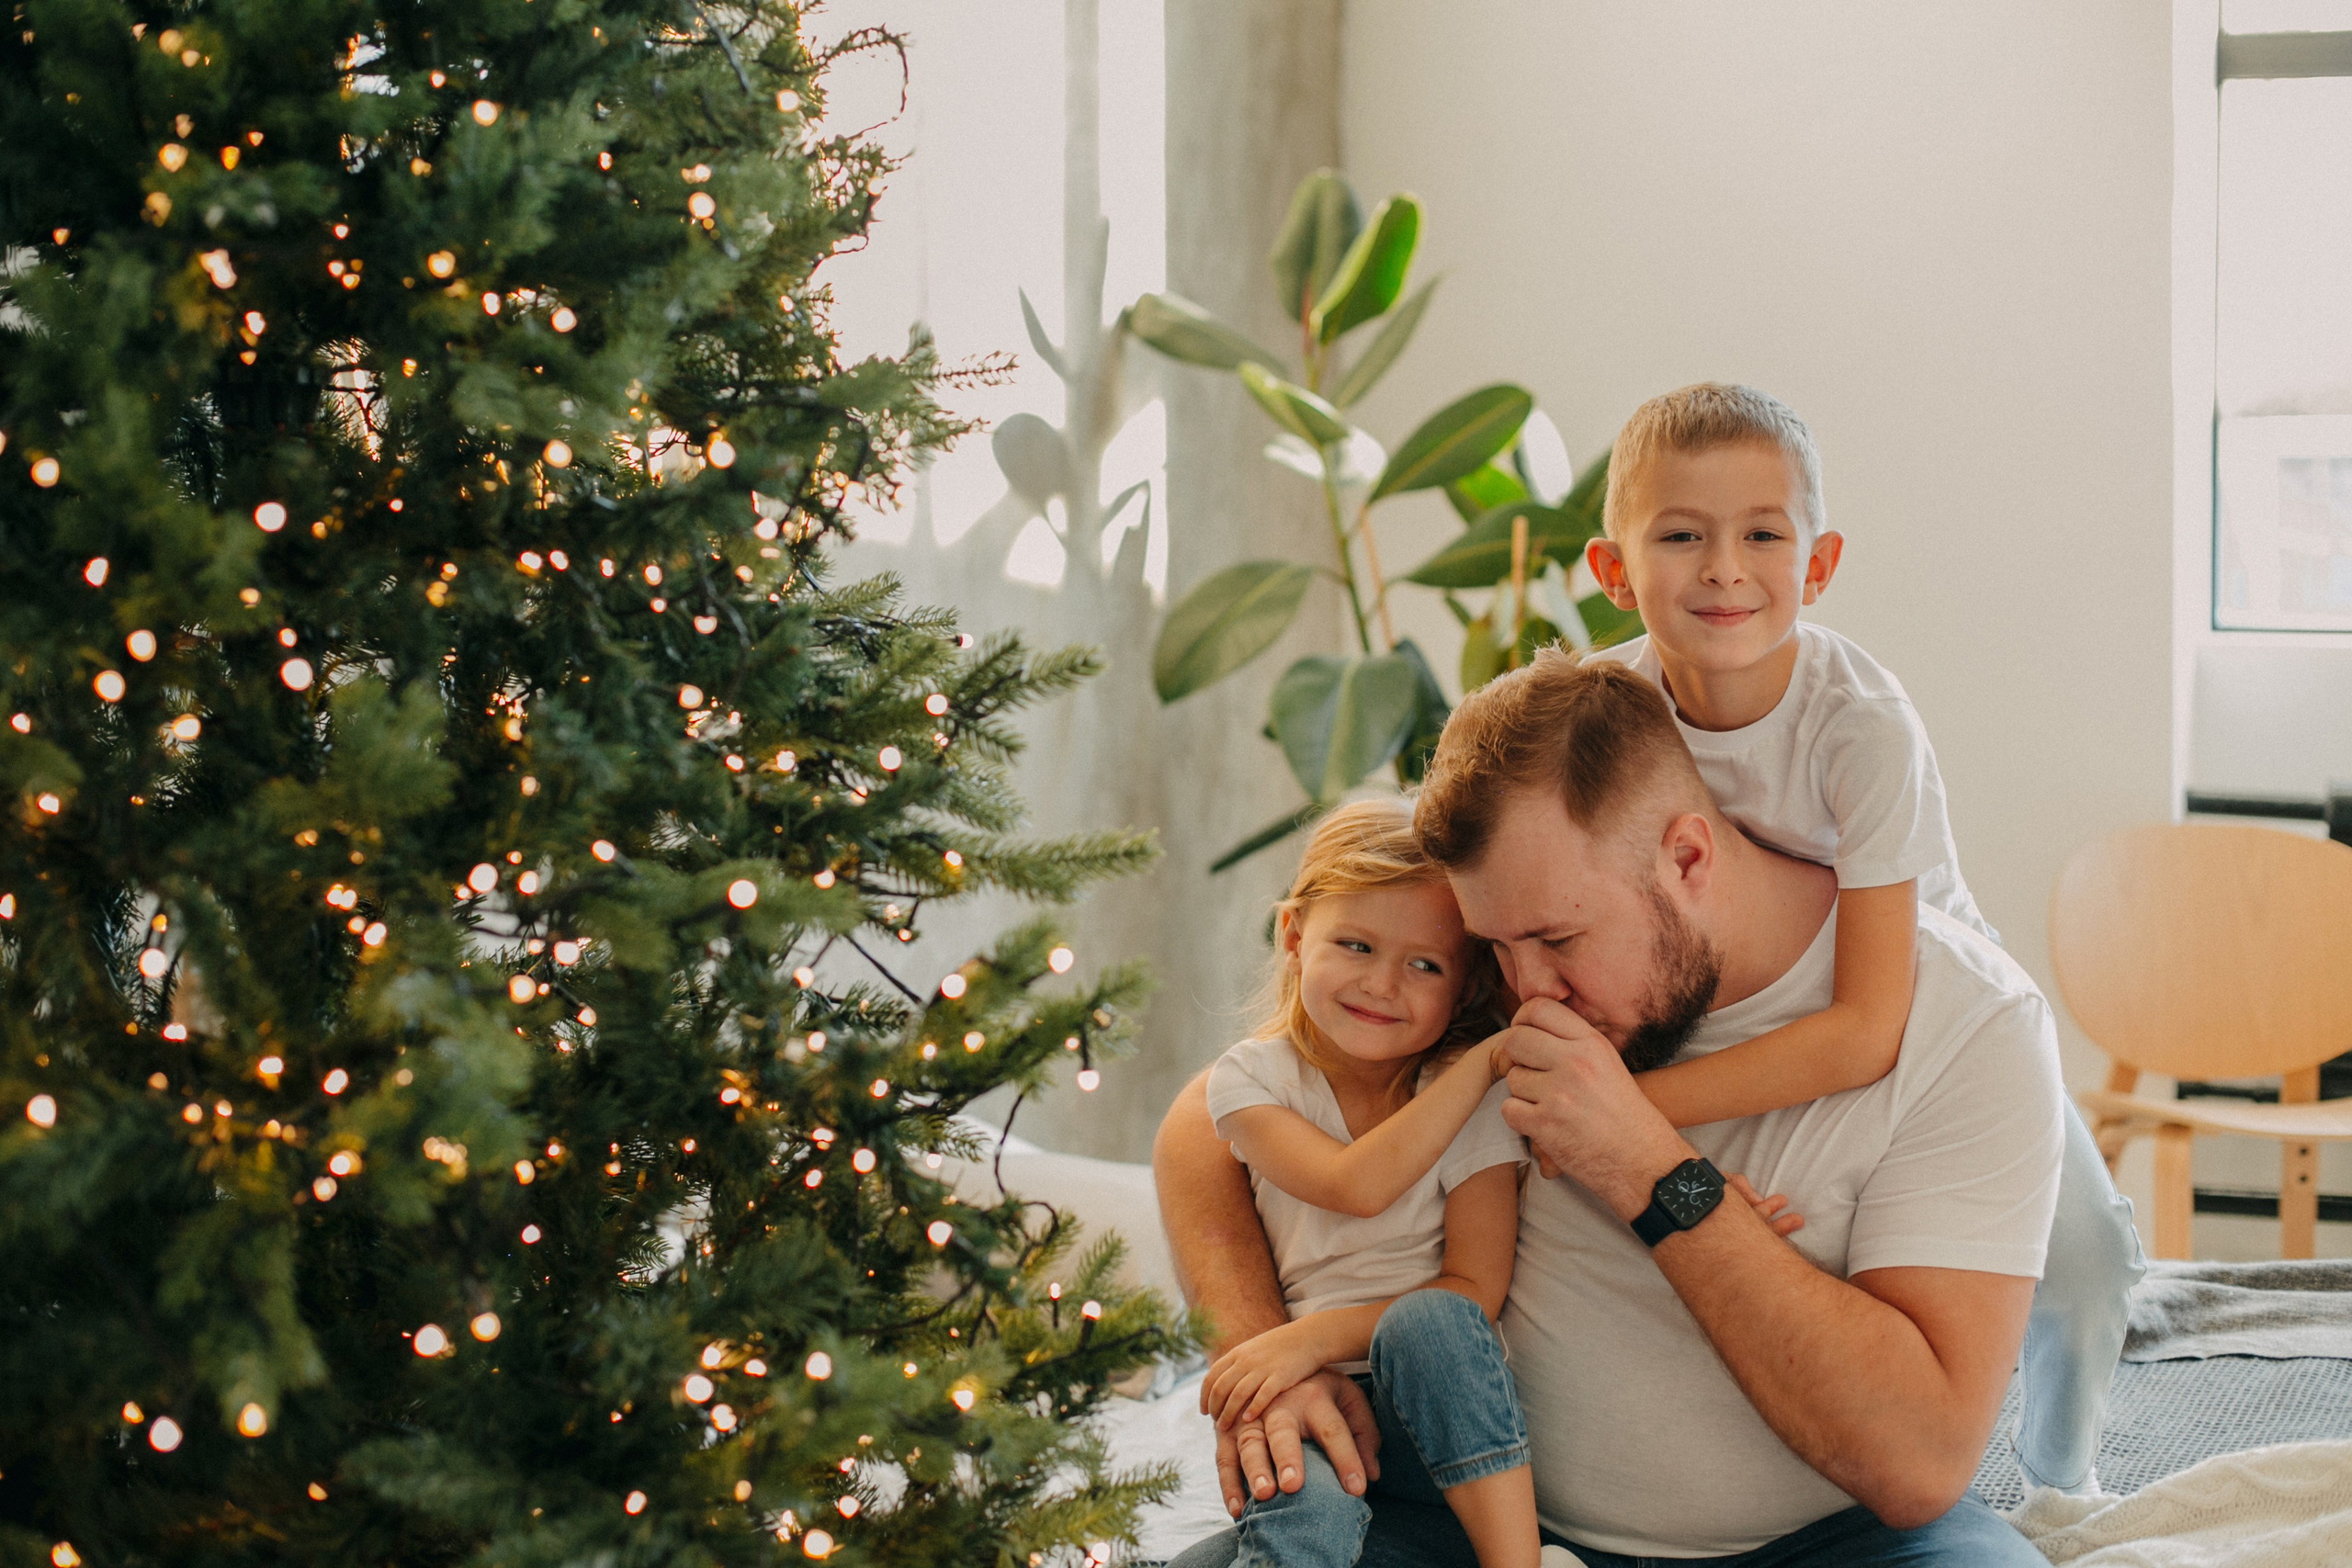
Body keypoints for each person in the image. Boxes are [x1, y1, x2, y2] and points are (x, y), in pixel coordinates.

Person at [1155, 652, 2066, 1565]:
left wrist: (1650, 1168)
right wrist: (1267, 1364)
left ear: (1686, 857)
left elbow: (1917, 1462)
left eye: (1556, 940)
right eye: (1495, 950)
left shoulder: (1966, 1024)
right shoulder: (1512, 964)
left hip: (1826, 1545)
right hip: (1472, 1527)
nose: (1526, 989)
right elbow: (1209, 1119)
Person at [1578, 382, 2143, 1494]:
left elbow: (1867, 1028)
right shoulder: (1597, 712)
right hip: (1728, 999)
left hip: (1910, 998)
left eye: (1761, 536)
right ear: (1612, 570)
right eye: (1681, 536)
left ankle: (2063, 1482)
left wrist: (1619, 1117)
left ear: (1819, 565)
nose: (1723, 570)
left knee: (2084, 1259)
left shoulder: (1861, 729)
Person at [1205, 799, 1790, 1568]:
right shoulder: (1250, 1081)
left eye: (1426, 964)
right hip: (1309, 1390)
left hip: (1443, 1412)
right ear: (1293, 934)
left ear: (1462, 987)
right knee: (1293, 1501)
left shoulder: (1468, 1096)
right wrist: (1299, 1358)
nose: (1382, 984)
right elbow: (1353, 1182)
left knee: (1429, 1321)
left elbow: (1475, 1285)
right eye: (1354, 943)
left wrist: (1709, 1199)